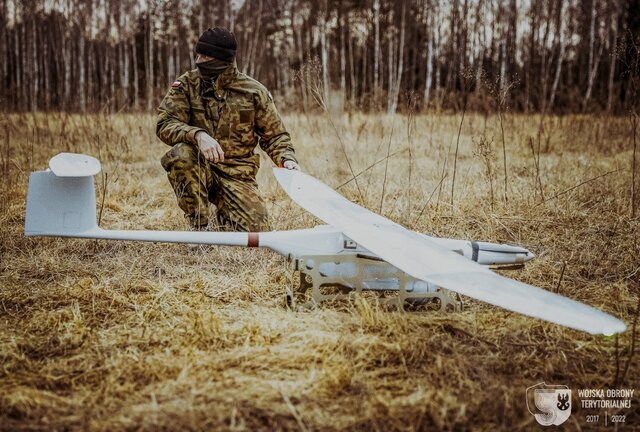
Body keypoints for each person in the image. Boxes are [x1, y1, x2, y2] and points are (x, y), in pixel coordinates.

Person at [157, 27, 299, 232]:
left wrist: (286, 159)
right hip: (199, 167)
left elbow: (275, 136)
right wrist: (197, 135)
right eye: (197, 55)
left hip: (237, 175)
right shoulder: (186, 85)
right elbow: (165, 123)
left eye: (205, 56)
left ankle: (226, 212)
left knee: (257, 232)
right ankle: (200, 227)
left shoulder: (253, 92)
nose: (198, 61)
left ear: (221, 59)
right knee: (181, 154)